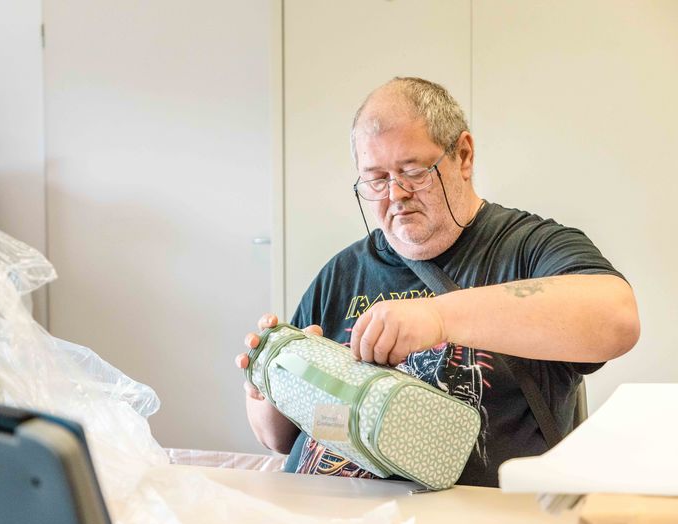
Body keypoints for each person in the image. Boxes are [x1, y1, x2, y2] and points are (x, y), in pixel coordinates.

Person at [234, 77, 640, 487]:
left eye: (412, 172)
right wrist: (269, 386)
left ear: (463, 155)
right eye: (375, 179)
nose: (395, 194)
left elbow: (616, 316)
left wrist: (438, 317)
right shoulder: (342, 271)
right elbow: (277, 439)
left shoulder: (527, 246)